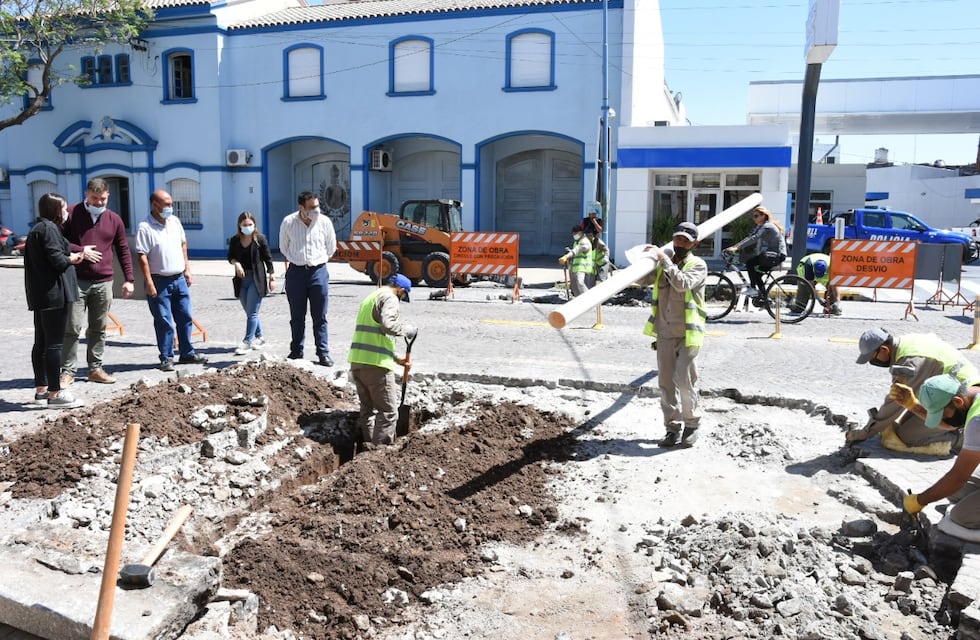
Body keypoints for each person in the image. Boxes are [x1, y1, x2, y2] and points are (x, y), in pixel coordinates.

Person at [850, 328, 980, 454]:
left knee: (908, 436)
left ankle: (964, 439)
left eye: (872, 358)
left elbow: (894, 402)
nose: (872, 362)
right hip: (944, 394)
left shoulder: (910, 362)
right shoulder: (907, 343)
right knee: (903, 423)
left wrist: (867, 432)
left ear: (884, 349)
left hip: (959, 405)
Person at [60, 178, 135, 387]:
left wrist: (129, 279)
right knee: (72, 327)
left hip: (104, 282)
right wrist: (80, 249)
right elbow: (59, 241)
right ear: (87, 194)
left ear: (108, 196)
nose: (99, 203)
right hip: (76, 280)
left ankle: (95, 368)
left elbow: (122, 250)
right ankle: (67, 371)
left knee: (98, 328)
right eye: (95, 199)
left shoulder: (114, 219)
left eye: (103, 199)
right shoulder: (72, 214)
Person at [640, 221, 708, 448]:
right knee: (666, 383)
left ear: (694, 244)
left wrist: (663, 259)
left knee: (684, 380)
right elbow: (640, 280)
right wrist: (644, 263)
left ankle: (691, 424)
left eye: (685, 241)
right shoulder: (663, 263)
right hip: (665, 333)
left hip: (687, 334)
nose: (680, 243)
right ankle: (672, 429)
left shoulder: (697, 265)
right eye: (677, 239)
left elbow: (682, 284)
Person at [134, 190, 208, 372]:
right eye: (166, 204)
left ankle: (187, 353)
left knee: (185, 317)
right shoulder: (145, 227)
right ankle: (166, 357)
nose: (169, 207)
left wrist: (187, 269)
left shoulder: (174, 221)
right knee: (164, 321)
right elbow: (142, 256)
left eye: (170, 203)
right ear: (155, 204)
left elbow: (183, 244)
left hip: (179, 278)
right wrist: (149, 281)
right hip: (159, 281)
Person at [899, 375, 980, 539]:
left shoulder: (978, 420)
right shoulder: (972, 390)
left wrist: (919, 501)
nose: (945, 420)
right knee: (956, 493)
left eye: (944, 415)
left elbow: (958, 477)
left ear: (958, 401)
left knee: (959, 519)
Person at [24, 193, 84, 408]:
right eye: (64, 208)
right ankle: (55, 394)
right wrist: (73, 259)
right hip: (54, 294)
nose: (67, 212)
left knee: (41, 343)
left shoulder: (38, 229)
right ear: (55, 209)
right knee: (54, 345)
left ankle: (41, 389)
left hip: (41, 294)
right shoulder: (49, 229)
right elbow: (58, 260)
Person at [348, 274, 417, 446]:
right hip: (376, 366)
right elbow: (388, 325)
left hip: (358, 362)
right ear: (401, 290)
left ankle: (368, 452)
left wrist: (396, 359)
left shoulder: (371, 298)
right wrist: (406, 330)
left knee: (367, 411)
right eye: (402, 296)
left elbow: (373, 335)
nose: (400, 300)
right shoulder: (390, 298)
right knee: (388, 412)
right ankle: (379, 457)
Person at [279, 191, 337, 367]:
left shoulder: (324, 222)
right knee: (297, 316)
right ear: (301, 208)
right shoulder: (288, 222)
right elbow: (284, 247)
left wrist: (317, 261)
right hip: (296, 272)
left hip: (318, 271)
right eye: (311, 207)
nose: (316, 210)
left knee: (320, 316)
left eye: (317, 206)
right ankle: (296, 350)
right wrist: (299, 260)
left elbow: (331, 247)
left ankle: (323, 352)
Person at [227, 211, 275, 355]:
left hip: (256, 278)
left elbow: (268, 259)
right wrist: (236, 264)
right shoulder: (235, 240)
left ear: (254, 225)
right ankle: (260, 337)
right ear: (239, 226)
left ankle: (247, 342)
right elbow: (231, 256)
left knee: (252, 313)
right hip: (242, 279)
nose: (248, 227)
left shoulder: (260, 239)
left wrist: (272, 277)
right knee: (249, 311)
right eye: (244, 225)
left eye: (250, 224)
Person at [723, 205, 787, 302]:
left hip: (776, 255)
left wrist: (737, 247)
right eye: (753, 216)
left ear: (763, 216)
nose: (754, 218)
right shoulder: (761, 226)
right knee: (756, 275)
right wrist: (735, 247)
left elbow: (754, 238)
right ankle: (764, 298)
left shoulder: (767, 226)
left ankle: (753, 289)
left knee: (750, 263)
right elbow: (750, 237)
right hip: (772, 255)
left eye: (756, 216)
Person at [558, 225, 593, 297]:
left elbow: (577, 249)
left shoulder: (584, 242)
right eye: (573, 234)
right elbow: (576, 252)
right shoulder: (576, 242)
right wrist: (569, 253)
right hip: (575, 268)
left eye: (575, 234)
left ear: (580, 233)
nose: (574, 235)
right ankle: (578, 301)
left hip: (583, 268)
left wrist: (567, 256)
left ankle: (589, 299)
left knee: (580, 284)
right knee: (574, 287)